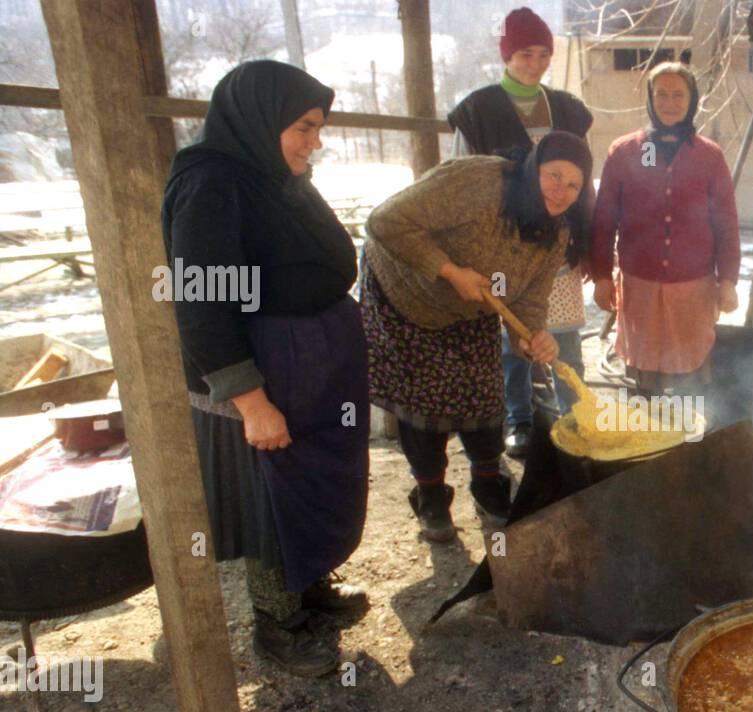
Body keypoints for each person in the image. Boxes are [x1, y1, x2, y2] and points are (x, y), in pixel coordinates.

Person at [163, 61, 370, 678]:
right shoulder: (212, 183)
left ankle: (310, 591)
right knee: (273, 492)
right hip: (265, 369)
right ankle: (278, 623)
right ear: (260, 117)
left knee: (315, 480)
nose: (315, 141)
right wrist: (250, 401)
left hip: (312, 362)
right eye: (303, 127)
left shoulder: (275, 175)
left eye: (318, 128)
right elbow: (200, 298)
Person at [360, 131, 593, 542]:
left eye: (574, 185)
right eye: (554, 175)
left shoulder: (554, 234)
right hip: (409, 292)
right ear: (534, 167)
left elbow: (530, 304)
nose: (562, 191)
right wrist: (449, 271)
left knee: (484, 396)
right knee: (424, 403)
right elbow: (385, 221)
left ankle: (489, 487)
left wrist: (534, 337)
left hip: (475, 304)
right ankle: (432, 499)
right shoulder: (480, 184)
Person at [448, 6, 594, 459]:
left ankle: (580, 415)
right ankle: (521, 419)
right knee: (513, 336)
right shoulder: (478, 111)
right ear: (507, 55)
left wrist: (585, 240)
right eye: (524, 53)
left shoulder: (567, 109)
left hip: (558, 240)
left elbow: (584, 177)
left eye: (543, 53)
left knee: (564, 335)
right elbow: (459, 179)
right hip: (502, 244)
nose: (534, 63)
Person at [591, 61, 741, 397]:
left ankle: (689, 438)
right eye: (661, 94)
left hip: (694, 288)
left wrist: (727, 281)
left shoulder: (709, 157)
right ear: (650, 99)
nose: (669, 102)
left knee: (690, 377)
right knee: (645, 378)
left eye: (678, 94)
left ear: (692, 100)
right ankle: (647, 437)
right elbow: (604, 220)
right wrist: (602, 275)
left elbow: (727, 225)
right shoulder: (626, 152)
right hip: (640, 286)